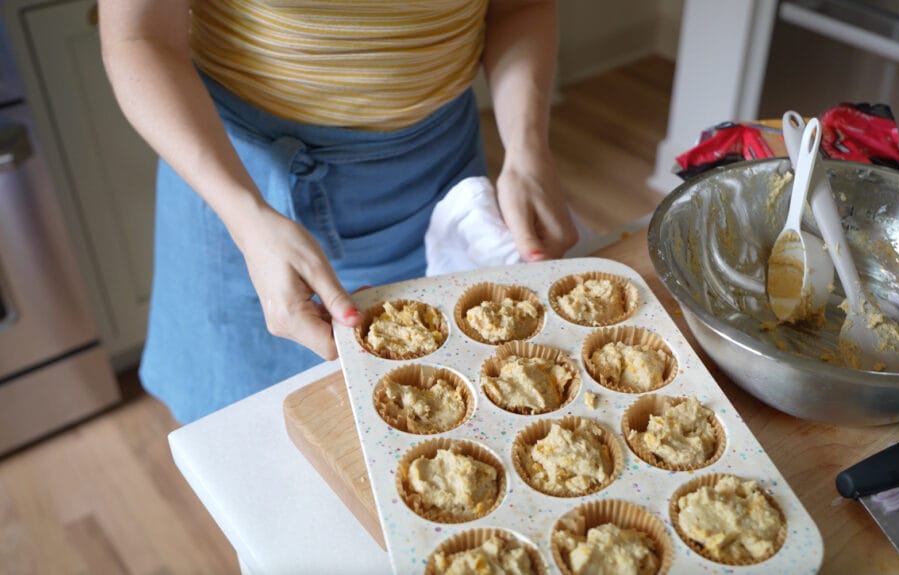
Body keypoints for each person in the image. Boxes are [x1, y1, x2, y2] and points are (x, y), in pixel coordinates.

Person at [98, 0, 577, 424]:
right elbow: (139, 37)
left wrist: (527, 146)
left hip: (435, 174)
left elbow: (520, 6)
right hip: (233, 179)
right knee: (249, 437)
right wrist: (246, 218)